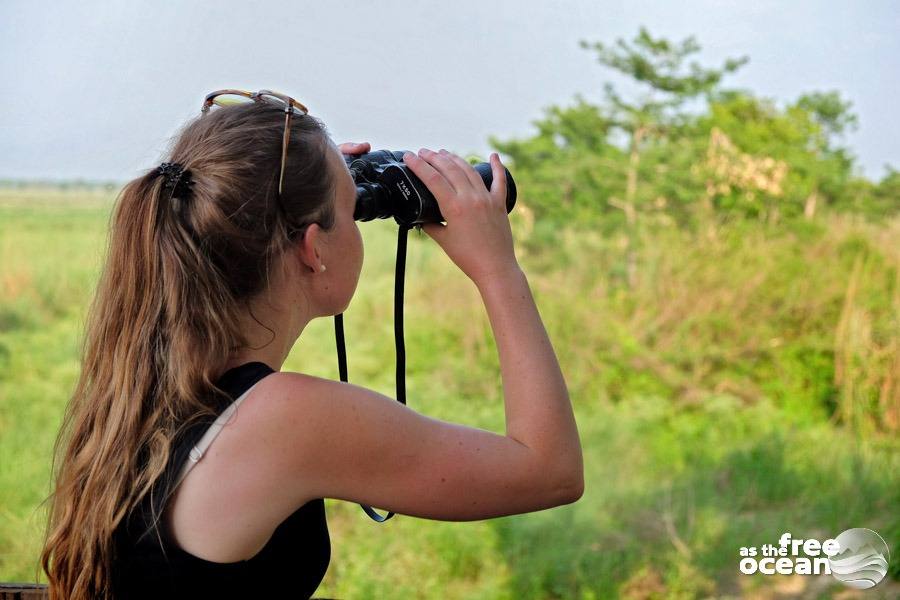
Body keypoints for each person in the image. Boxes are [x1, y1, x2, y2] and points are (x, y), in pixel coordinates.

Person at [39, 94, 584, 599]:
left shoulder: (140, 387)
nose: (359, 224)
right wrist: (497, 270)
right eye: (352, 213)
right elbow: (549, 471)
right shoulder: (288, 417)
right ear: (312, 247)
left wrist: (316, 186)